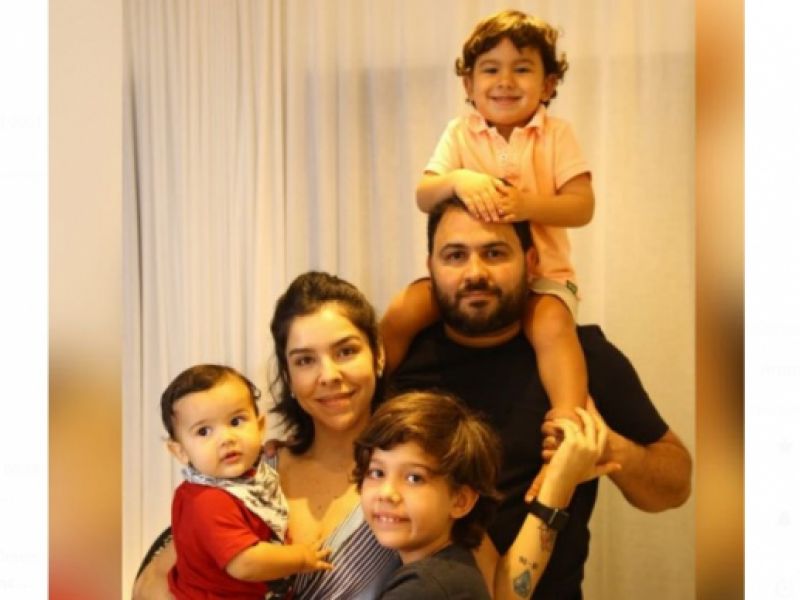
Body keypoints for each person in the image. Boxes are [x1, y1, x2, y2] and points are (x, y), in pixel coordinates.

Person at [386, 197, 692, 598]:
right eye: (455, 255)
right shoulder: (400, 361)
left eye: (494, 253)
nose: (475, 273)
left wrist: (607, 448)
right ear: (430, 268)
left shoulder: (583, 358)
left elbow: (676, 486)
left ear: (530, 262)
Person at [381, 9, 595, 461]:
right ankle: (368, 392)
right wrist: (459, 180)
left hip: (545, 277)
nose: (505, 82)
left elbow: (582, 206)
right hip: (470, 277)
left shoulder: (557, 135)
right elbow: (424, 195)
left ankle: (566, 429)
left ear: (548, 84)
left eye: (522, 69)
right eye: (491, 69)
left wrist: (527, 205)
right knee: (404, 308)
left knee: (552, 325)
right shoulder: (460, 133)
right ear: (468, 83)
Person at [133, 272, 400, 599]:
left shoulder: (408, 477)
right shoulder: (249, 472)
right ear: (288, 375)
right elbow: (151, 583)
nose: (328, 375)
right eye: (305, 360)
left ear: (378, 354)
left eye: (346, 351)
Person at [354, 391, 610, 600]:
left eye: (414, 478)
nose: (387, 493)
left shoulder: (426, 587)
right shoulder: (453, 571)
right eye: (377, 473)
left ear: (461, 501)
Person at [159, 364, 332, 599]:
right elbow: (245, 563)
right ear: (180, 451)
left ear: (260, 427)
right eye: (203, 431)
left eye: (236, 421)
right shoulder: (208, 500)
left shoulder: (252, 478)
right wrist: (301, 558)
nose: (226, 438)